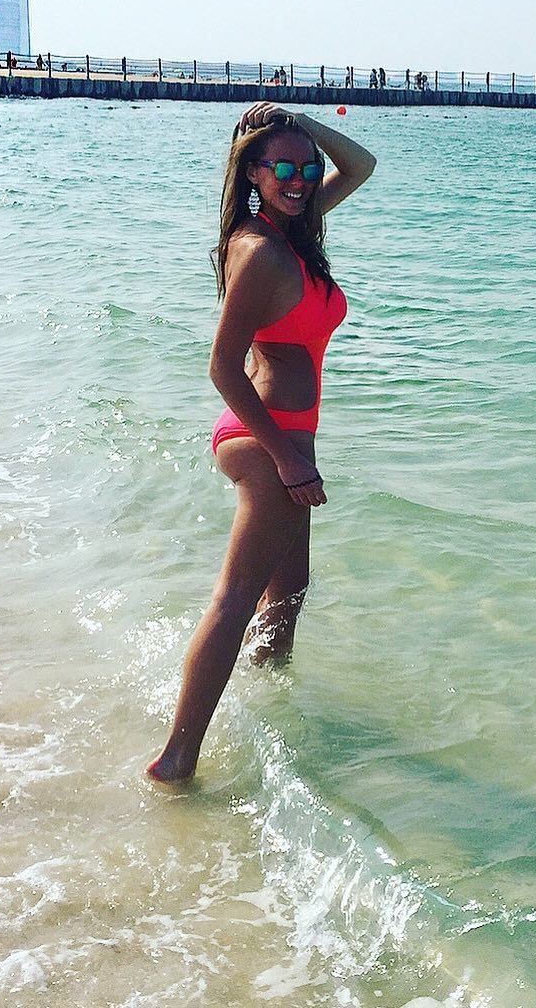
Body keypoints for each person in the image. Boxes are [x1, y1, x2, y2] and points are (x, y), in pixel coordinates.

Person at [147, 102, 376, 783]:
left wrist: (300, 122)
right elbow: (222, 366)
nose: (299, 179)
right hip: (265, 438)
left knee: (288, 587)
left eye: (307, 168)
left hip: (285, 437)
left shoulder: (293, 229)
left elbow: (360, 165)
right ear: (253, 172)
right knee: (237, 598)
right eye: (283, 168)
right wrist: (287, 458)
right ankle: (176, 758)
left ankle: (267, 699)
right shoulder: (262, 251)